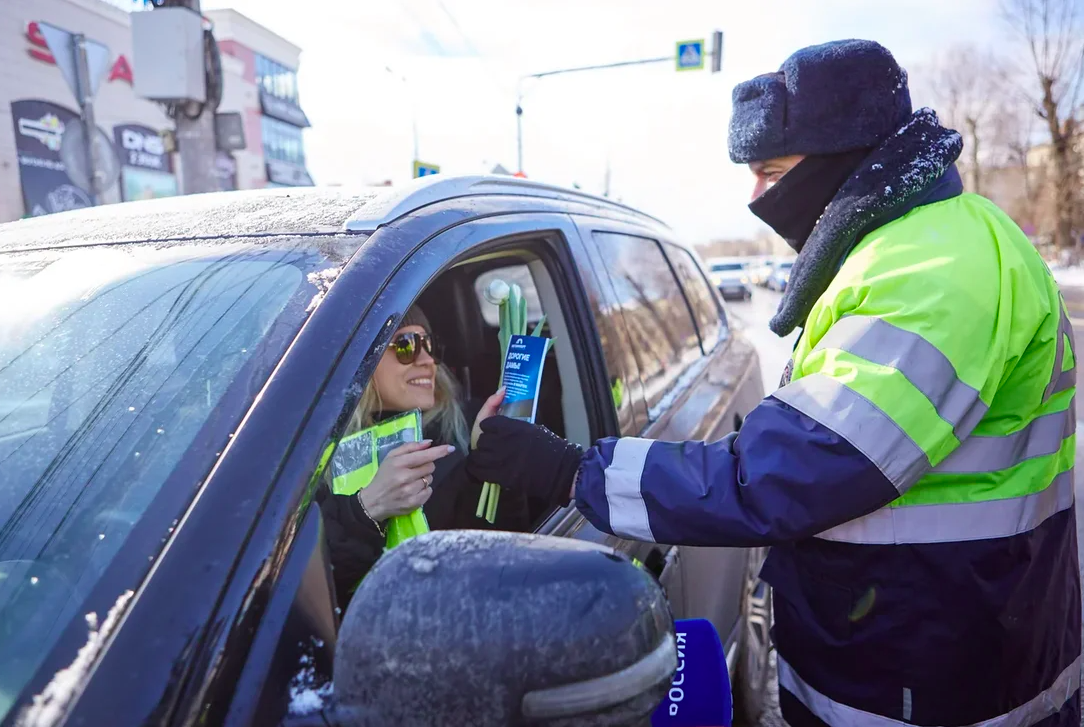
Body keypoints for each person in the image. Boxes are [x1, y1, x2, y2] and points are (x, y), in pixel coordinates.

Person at [470, 40, 1080, 727]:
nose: (757, 198)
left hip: (936, 678)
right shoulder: (922, 243)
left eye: (770, 172)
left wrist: (567, 468)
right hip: (929, 640)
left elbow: (786, 473)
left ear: (843, 160)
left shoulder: (933, 268)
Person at [317, 306, 533, 612]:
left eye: (428, 345)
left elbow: (503, 569)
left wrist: (493, 469)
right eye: (406, 345)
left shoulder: (472, 430)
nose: (427, 360)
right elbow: (311, 590)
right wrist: (366, 510)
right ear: (358, 362)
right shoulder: (312, 455)